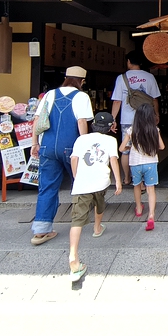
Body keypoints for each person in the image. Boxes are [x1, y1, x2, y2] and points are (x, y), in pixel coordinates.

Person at [30, 66, 94, 246]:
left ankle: (41, 231)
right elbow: (82, 121)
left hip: (48, 147)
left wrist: (35, 143)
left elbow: (37, 119)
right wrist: (85, 144)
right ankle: (79, 223)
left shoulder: (49, 95)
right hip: (71, 147)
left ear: (66, 78)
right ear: (81, 81)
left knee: (47, 187)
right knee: (79, 183)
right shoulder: (82, 97)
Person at [67, 112, 122, 282]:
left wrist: (76, 176)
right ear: (110, 127)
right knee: (100, 204)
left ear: (94, 124)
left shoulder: (81, 139)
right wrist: (118, 181)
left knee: (77, 219)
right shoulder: (111, 140)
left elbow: (74, 159)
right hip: (101, 181)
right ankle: (97, 228)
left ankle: (73, 255)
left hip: (82, 184)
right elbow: (113, 160)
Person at [111, 51, 161, 185]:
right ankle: (145, 181)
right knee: (146, 147)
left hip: (127, 120)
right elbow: (154, 99)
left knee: (126, 150)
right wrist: (156, 114)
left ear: (129, 61)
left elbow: (117, 101)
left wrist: (113, 119)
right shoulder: (150, 77)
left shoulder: (122, 78)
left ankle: (127, 178)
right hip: (146, 119)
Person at [120, 103, 164, 231]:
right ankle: (151, 215)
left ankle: (139, 209)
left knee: (137, 186)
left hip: (135, 163)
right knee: (151, 189)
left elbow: (121, 148)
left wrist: (129, 147)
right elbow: (162, 147)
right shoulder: (154, 130)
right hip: (150, 163)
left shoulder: (131, 130)